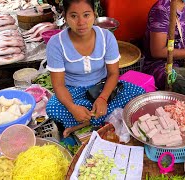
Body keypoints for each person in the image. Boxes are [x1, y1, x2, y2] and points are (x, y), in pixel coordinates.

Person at [45, 0, 145, 137]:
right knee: (53, 108)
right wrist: (73, 108)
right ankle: (95, 117)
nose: (81, 22)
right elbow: (58, 85)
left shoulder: (106, 37)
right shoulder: (56, 43)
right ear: (65, 16)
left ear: (94, 14)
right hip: (72, 91)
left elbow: (113, 73)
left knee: (138, 94)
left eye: (86, 15)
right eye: (74, 16)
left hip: (102, 87)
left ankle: (84, 121)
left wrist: (103, 98)